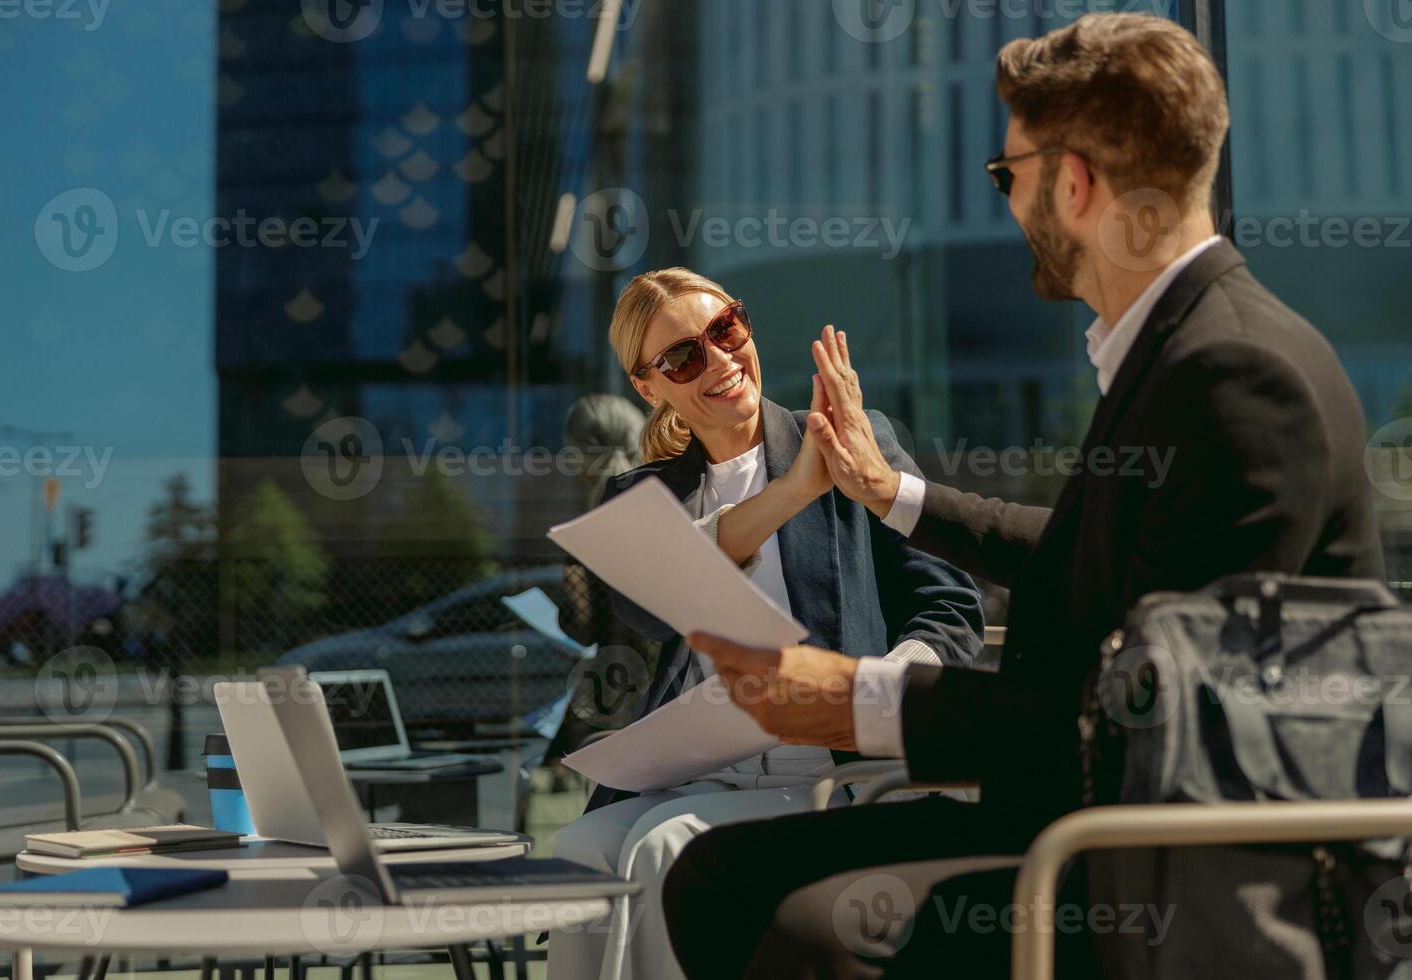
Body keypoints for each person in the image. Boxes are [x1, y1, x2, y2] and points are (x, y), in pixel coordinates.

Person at [661, 13, 1386, 979]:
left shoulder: (1234, 377)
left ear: (1074, 185)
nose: (1006, 202)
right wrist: (890, 494)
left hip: (1164, 881)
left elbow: (1154, 721)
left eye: (1009, 177)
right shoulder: (1186, 352)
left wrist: (856, 699)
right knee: (715, 872)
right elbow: (1087, 553)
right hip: (1086, 834)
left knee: (787, 914)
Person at [549, 267, 985, 980]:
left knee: (665, 847)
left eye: (726, 331)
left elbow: (951, 603)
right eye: (684, 356)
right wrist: (791, 494)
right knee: (577, 850)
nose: (720, 360)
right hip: (696, 774)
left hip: (827, 769)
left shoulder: (857, 440)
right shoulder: (641, 496)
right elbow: (645, 608)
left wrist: (876, 692)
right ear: (648, 387)